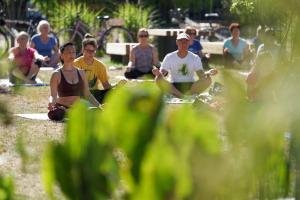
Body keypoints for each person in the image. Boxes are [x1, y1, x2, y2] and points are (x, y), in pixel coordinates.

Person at [152, 33, 218, 98]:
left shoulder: (195, 57)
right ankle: (182, 96)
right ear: (177, 42)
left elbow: (201, 75)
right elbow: (162, 73)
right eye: (181, 41)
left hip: (190, 85)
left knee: (208, 79)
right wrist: (158, 73)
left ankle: (185, 95)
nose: (183, 44)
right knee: (158, 79)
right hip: (173, 85)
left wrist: (208, 73)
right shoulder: (169, 56)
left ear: (189, 43)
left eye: (185, 42)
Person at [48, 42, 101, 121]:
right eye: (69, 52)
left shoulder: (81, 72)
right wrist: (51, 103)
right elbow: (53, 96)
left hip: (78, 107)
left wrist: (99, 106)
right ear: (61, 55)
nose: (72, 55)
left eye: (73, 52)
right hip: (62, 107)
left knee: (98, 111)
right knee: (57, 114)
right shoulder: (56, 74)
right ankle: (72, 113)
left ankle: (73, 113)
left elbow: (88, 94)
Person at [73, 34, 112, 104]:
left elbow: (106, 85)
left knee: (110, 93)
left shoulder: (100, 65)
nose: (91, 53)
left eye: (93, 51)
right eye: (88, 51)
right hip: (79, 95)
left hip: (94, 94)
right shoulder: (75, 64)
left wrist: (115, 89)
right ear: (82, 50)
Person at [246, 28, 281, 101]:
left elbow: (283, 62)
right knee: (250, 76)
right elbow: (257, 61)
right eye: (267, 36)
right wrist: (251, 72)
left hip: (272, 72)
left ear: (274, 37)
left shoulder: (278, 48)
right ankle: (251, 96)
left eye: (271, 36)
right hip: (260, 70)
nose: (269, 38)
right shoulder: (261, 47)